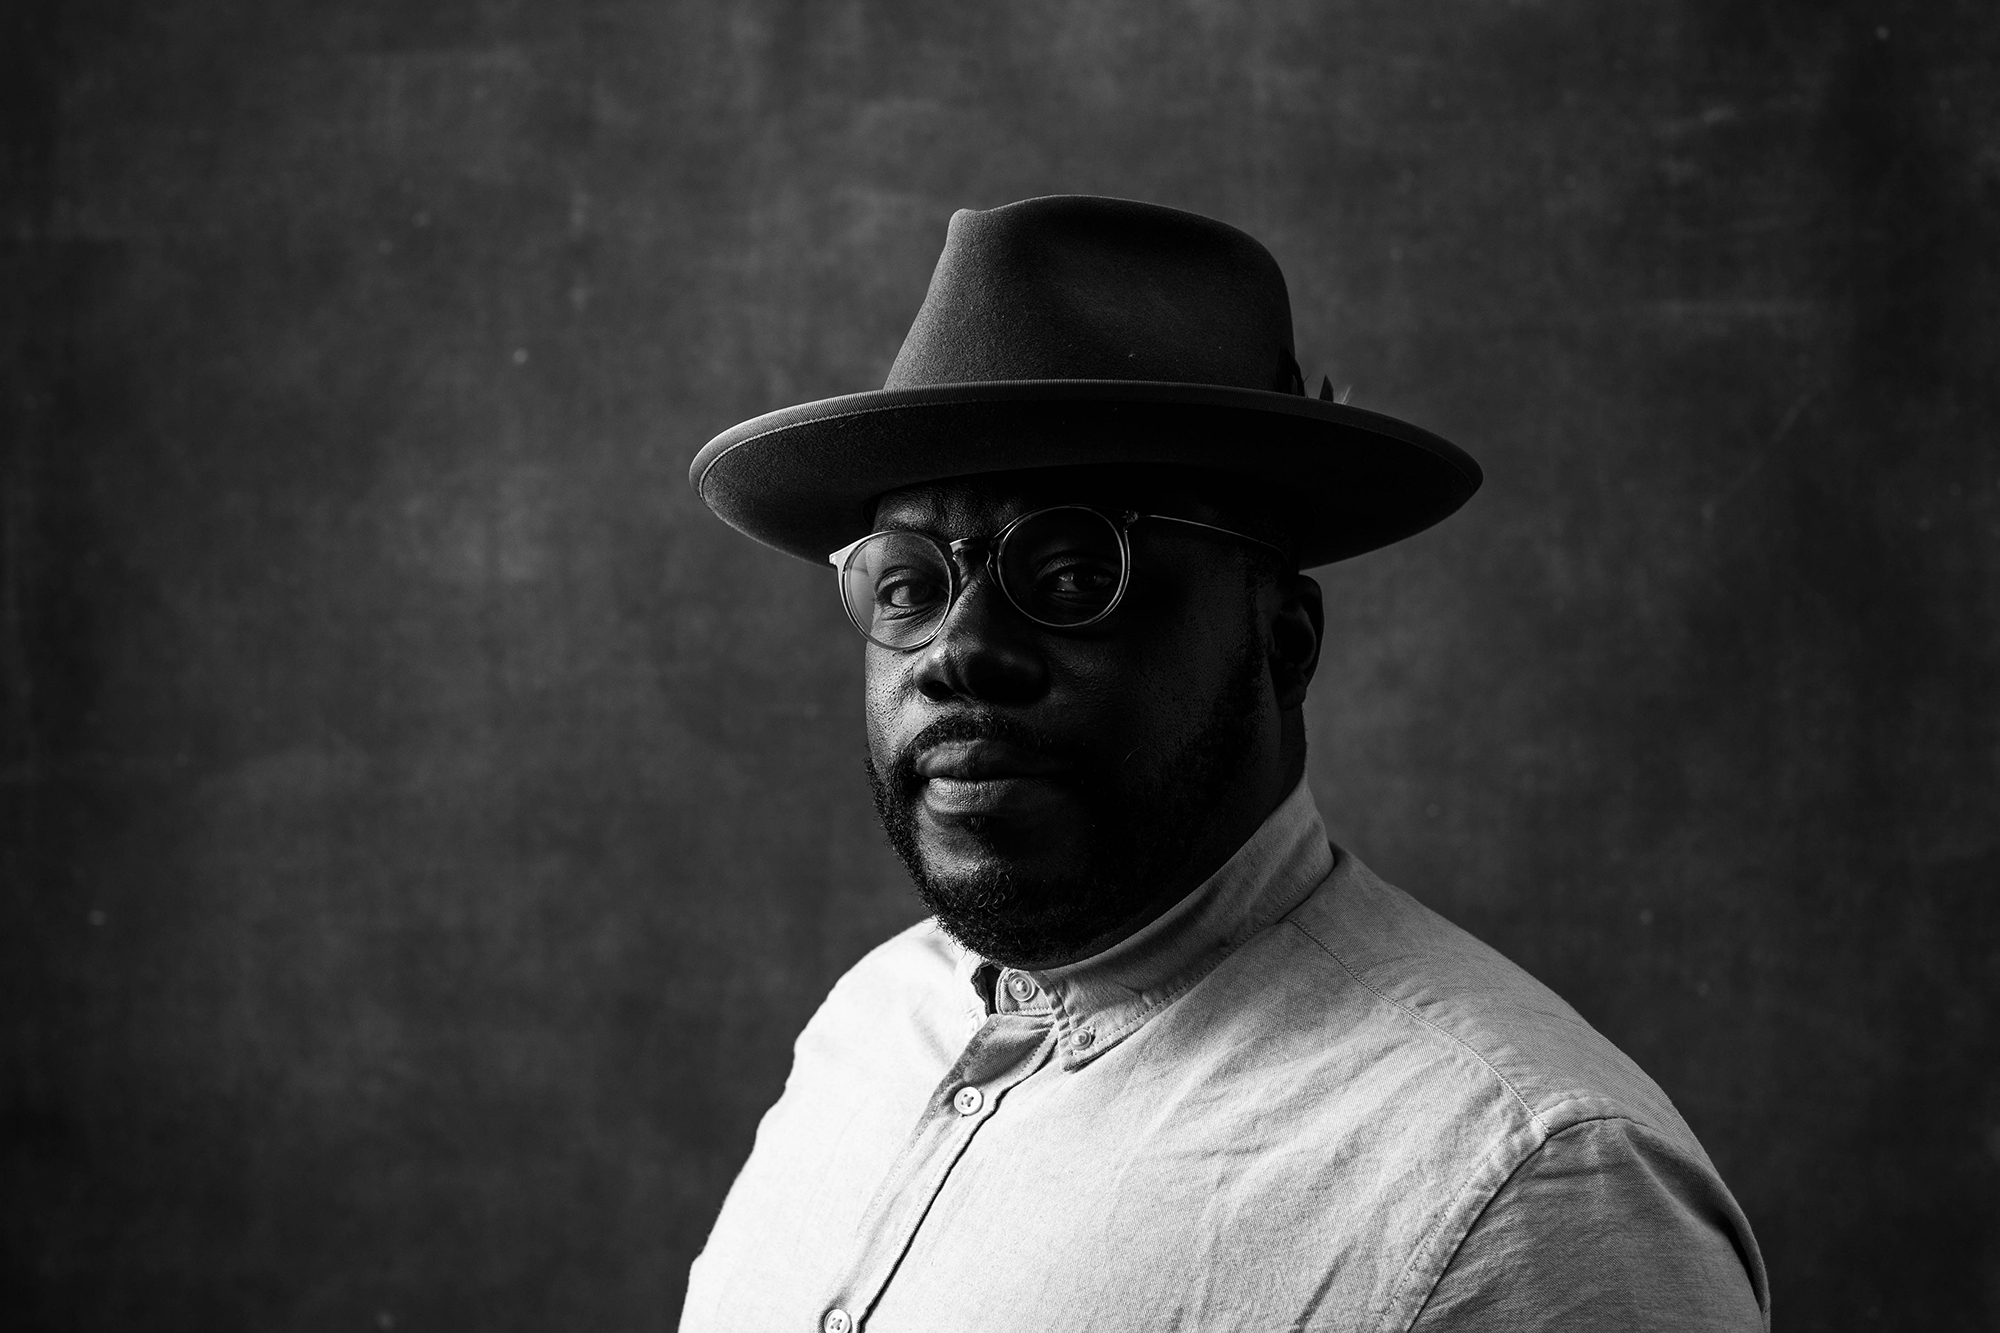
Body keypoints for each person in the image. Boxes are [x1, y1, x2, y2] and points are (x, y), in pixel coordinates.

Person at [678, 195, 1769, 1331]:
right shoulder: (869, 1028)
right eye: (905, 584)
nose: (960, 650)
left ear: (1281, 644)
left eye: (1068, 574)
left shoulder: (1530, 1199)